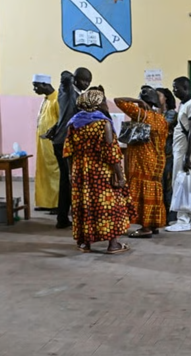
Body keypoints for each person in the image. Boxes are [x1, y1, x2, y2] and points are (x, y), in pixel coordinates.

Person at [63, 89, 134, 254]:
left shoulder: (73, 123)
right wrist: (120, 176)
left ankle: (84, 243)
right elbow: (111, 154)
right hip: (101, 171)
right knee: (109, 205)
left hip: (81, 171)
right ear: (97, 103)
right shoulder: (104, 124)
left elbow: (68, 152)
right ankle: (113, 244)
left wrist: (71, 173)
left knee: (84, 204)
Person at [113, 88, 169, 238]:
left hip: (142, 159)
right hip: (157, 160)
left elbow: (118, 100)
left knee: (143, 192)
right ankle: (153, 224)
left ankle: (145, 228)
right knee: (154, 191)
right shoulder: (161, 119)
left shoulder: (141, 114)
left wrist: (137, 102)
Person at [52, 67, 92, 229]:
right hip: (63, 141)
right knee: (67, 180)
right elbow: (64, 75)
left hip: (69, 141)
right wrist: (70, 78)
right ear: (75, 79)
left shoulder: (79, 95)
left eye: (89, 82)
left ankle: (65, 216)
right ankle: (62, 218)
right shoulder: (67, 91)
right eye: (83, 80)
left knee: (70, 180)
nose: (86, 84)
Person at [165, 77, 191, 233]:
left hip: (184, 150)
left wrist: (188, 156)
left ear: (186, 88)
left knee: (180, 184)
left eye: (177, 88)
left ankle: (183, 219)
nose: (174, 91)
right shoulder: (184, 104)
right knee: (182, 183)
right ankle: (189, 217)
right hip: (180, 149)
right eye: (173, 88)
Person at [31, 75, 60, 212]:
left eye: (36, 86)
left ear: (45, 84)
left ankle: (57, 204)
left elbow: (61, 122)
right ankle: (46, 202)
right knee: (44, 172)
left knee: (55, 172)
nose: (34, 89)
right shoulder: (46, 100)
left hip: (52, 142)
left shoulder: (57, 99)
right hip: (42, 143)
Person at [156, 88, 179, 225]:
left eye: (158, 96)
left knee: (168, 186)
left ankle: (171, 216)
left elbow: (161, 127)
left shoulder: (171, 114)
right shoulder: (153, 113)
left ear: (166, 99)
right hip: (156, 155)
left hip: (168, 154)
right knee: (158, 185)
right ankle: (160, 216)